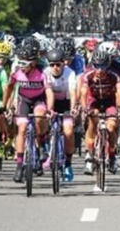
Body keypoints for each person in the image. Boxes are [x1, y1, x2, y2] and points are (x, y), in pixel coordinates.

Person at [3, 45, 49, 183]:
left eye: (24, 63)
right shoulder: (17, 73)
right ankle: (19, 165)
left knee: (39, 116)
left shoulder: (42, 72)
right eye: (19, 62)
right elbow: (9, 88)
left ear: (33, 63)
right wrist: (4, 105)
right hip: (24, 100)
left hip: (39, 100)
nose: (21, 66)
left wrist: (50, 107)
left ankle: (41, 145)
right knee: (22, 128)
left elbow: (49, 91)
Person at [80, 50, 120, 178]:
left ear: (108, 64)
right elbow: (83, 93)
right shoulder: (87, 75)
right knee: (93, 121)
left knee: (111, 126)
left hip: (109, 101)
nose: (100, 70)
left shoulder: (114, 76)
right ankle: (89, 154)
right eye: (97, 66)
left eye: (103, 66)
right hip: (94, 101)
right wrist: (84, 108)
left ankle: (112, 155)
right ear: (92, 65)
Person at [43, 48, 78, 181]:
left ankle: (68, 163)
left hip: (66, 103)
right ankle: (46, 149)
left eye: (58, 64)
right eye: (52, 64)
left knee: (68, 131)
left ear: (64, 63)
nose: (55, 67)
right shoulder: (45, 73)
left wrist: (73, 108)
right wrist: (49, 109)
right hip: (50, 102)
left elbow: (73, 92)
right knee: (41, 121)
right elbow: (47, 92)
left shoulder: (70, 73)